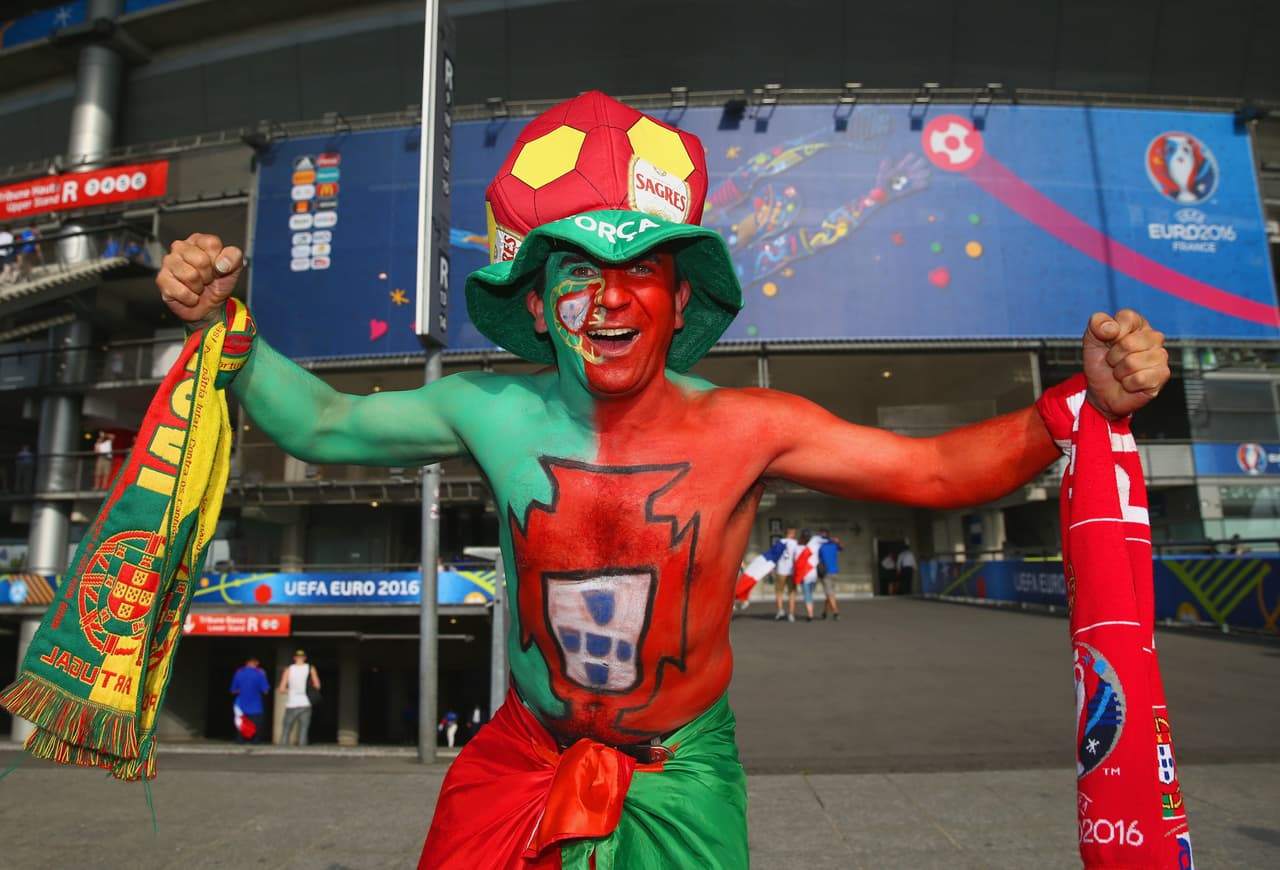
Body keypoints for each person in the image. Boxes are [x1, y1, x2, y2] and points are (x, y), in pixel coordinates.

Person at [156, 91, 1169, 869]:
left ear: (678, 297)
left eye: (635, 270)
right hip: (523, 752)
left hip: (679, 777)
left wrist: (1069, 406)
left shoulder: (750, 425)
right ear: (537, 301)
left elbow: (936, 468)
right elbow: (324, 423)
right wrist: (222, 331)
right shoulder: (487, 409)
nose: (605, 298)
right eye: (573, 274)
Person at [278, 649, 320, 746]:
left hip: (291, 703)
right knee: (303, 729)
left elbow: (281, 689)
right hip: (306, 703)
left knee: (287, 728)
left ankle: (282, 748)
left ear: (294, 658)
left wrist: (291, 690)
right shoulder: (310, 668)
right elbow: (317, 686)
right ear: (305, 658)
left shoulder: (288, 669)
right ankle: (302, 749)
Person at [230, 656, 270, 745]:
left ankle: (240, 741)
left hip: (241, 704)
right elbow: (265, 690)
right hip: (256, 705)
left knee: (241, 724)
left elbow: (233, 690)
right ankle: (255, 742)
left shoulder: (239, 672)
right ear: (255, 663)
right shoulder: (260, 673)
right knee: (256, 725)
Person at [772, 527, 801, 622]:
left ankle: (780, 610)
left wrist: (772, 569)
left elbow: (774, 556)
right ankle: (791, 614)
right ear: (792, 533)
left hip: (780, 570)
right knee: (792, 593)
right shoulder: (796, 543)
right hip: (791, 571)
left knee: (779, 592)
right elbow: (798, 557)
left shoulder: (779, 542)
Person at [794, 530, 823, 622]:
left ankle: (810, 614)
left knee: (807, 595)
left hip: (804, 574)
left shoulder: (797, 548)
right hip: (813, 573)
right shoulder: (814, 547)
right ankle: (811, 612)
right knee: (810, 594)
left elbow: (796, 562)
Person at [816, 529, 842, 620]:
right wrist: (837, 541)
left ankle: (835, 612)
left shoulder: (819, 547)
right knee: (830, 594)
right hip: (833, 572)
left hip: (826, 572)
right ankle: (827, 612)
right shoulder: (834, 545)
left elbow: (816, 560)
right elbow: (841, 547)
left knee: (830, 594)